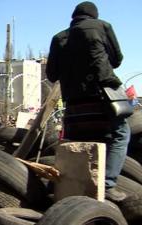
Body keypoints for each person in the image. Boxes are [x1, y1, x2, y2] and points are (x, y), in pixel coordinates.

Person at [46, 1, 130, 202]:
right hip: (102, 97)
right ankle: (107, 185)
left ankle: (72, 188)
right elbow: (117, 59)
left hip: (74, 103)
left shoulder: (58, 38)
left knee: (79, 143)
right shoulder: (102, 26)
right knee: (120, 134)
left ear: (73, 17)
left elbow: (51, 74)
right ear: (93, 15)